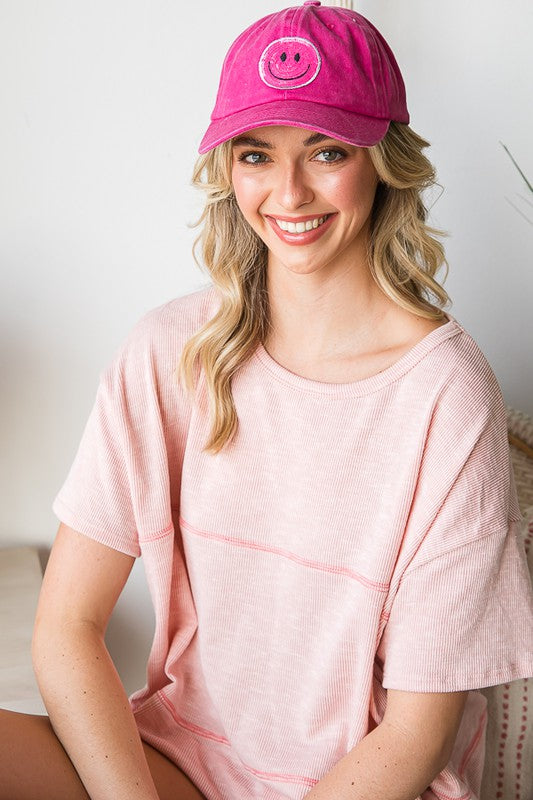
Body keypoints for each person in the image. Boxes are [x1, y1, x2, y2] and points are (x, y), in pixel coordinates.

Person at [1, 2, 533, 798]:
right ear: (227, 169)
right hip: (175, 766)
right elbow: (66, 626)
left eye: (324, 152)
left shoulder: (445, 396)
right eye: (255, 155)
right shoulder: (167, 350)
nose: (287, 193)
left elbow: (420, 733)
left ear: (381, 161)